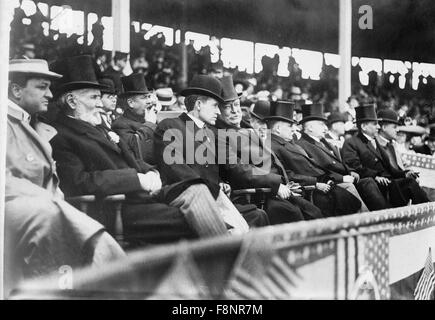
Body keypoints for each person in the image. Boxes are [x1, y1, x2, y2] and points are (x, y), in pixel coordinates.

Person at [50, 56, 236, 245]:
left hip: (140, 198)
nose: (100, 103)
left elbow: (132, 159)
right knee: (195, 218)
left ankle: (225, 251)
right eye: (94, 97)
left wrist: (150, 171)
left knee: (197, 188)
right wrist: (137, 179)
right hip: (115, 208)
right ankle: (227, 256)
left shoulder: (98, 127)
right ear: (72, 102)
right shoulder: (61, 135)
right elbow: (79, 182)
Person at [5, 58, 125, 296]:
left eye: (49, 87)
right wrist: (52, 203)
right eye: (42, 87)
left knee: (101, 253)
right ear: (16, 90)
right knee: (99, 252)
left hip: (50, 216)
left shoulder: (38, 126)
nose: (50, 94)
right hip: (27, 219)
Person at [155, 74, 267, 230]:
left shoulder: (211, 133)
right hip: (189, 200)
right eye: (215, 106)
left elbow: (222, 168)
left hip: (215, 198)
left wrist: (222, 182)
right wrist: (212, 186)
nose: (218, 112)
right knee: (246, 224)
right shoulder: (171, 126)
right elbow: (176, 169)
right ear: (199, 104)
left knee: (258, 215)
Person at [215, 77, 322, 223]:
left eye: (237, 104)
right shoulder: (220, 134)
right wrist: (275, 184)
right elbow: (238, 170)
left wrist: (285, 182)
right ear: (218, 110)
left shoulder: (247, 128)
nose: (235, 111)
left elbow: (271, 161)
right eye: (227, 107)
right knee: (294, 215)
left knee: (315, 213)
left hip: (279, 188)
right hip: (258, 195)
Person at [265, 101, 364, 217]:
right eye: (290, 126)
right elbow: (288, 174)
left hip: (322, 184)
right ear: (277, 129)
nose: (294, 129)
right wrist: (316, 183)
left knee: (350, 201)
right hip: (309, 190)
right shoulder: (273, 146)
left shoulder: (289, 144)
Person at [297, 103, 389, 212]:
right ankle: (368, 219)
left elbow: (337, 163)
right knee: (357, 185)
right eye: (321, 124)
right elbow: (318, 170)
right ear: (311, 127)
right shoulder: (303, 145)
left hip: (342, 177)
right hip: (330, 182)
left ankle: (382, 215)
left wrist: (350, 171)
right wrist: (342, 178)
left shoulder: (321, 141)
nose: (325, 128)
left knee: (367, 182)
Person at [342, 104, 429, 207]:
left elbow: (389, 168)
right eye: (374, 124)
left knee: (410, 182)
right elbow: (354, 167)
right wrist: (375, 176)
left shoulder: (374, 141)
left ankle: (429, 211)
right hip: (373, 185)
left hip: (388, 183)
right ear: (363, 126)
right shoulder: (351, 142)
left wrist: (404, 174)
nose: (378, 127)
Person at [112, 73, 158, 164]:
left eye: (149, 96)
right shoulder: (120, 125)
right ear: (131, 103)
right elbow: (137, 153)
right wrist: (149, 124)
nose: (149, 101)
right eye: (144, 98)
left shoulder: (149, 118)